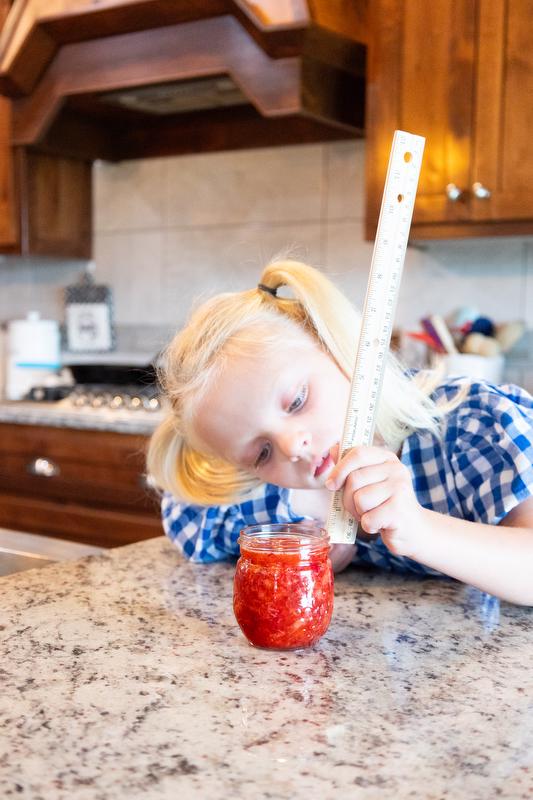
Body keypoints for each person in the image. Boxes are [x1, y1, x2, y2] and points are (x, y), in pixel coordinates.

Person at [147, 260, 533, 605]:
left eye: (297, 401)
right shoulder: (284, 493)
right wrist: (307, 523)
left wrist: (421, 529)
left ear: (334, 345)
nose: (291, 446)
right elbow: (186, 517)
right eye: (261, 453)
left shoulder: (474, 425)